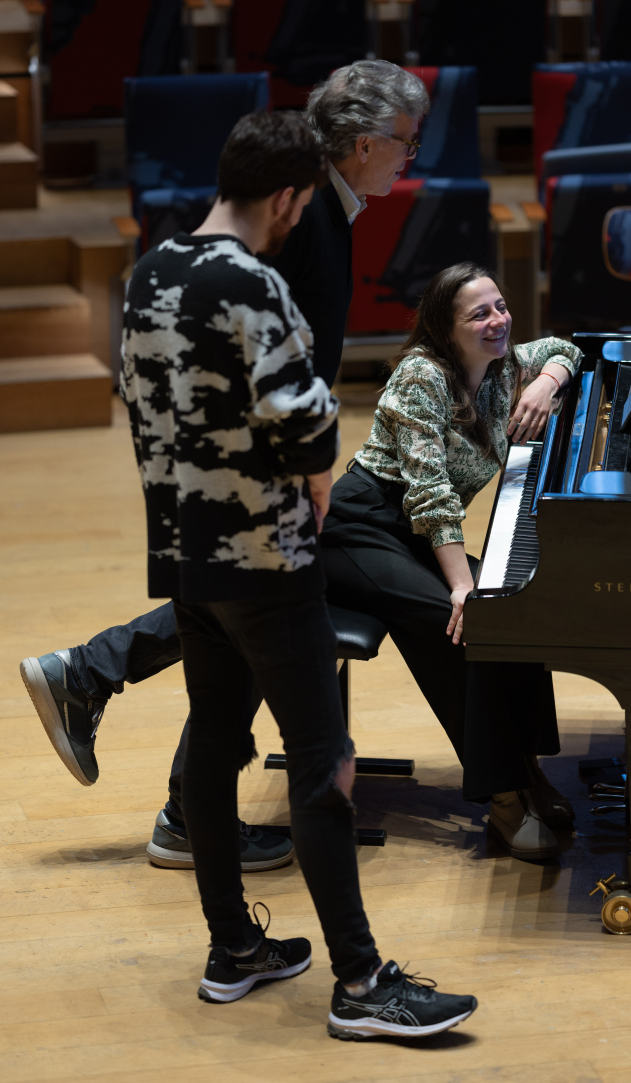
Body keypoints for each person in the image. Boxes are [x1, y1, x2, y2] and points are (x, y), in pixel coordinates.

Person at [116, 107, 477, 1033]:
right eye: (302, 203)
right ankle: (360, 985)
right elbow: (307, 423)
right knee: (325, 763)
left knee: (213, 743)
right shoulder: (255, 283)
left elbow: (141, 402)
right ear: (284, 197)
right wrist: (315, 477)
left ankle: (234, 946)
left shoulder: (150, 270)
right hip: (268, 560)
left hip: (184, 554)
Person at [20, 60, 431, 872]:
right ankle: (125, 721)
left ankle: (106, 694)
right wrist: (310, 474)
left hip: (240, 468)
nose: (410, 160)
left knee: (230, 624)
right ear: (361, 144)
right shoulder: (303, 216)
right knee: (250, 619)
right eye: (405, 143)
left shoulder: (317, 210)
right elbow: (271, 360)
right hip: (261, 469)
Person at [320, 261, 582, 860]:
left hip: (414, 534)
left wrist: (547, 382)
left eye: (500, 306)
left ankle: (528, 770)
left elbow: (566, 348)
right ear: (446, 328)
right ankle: (504, 799)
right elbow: (430, 495)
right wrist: (463, 588)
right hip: (360, 528)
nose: (498, 321)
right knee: (464, 624)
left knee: (515, 605)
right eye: (479, 314)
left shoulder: (503, 368)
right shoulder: (420, 376)